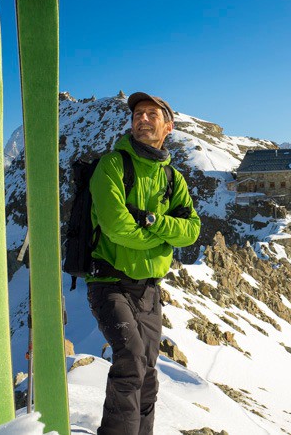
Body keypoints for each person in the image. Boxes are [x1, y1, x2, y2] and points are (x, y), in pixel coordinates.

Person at [87, 92, 201, 435]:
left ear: (169, 126)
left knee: (148, 373)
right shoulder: (112, 165)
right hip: (109, 283)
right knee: (131, 360)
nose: (143, 118)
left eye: (152, 114)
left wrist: (156, 223)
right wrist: (163, 238)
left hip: (149, 290)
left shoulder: (172, 178)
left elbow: (192, 230)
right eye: (138, 113)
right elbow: (117, 228)